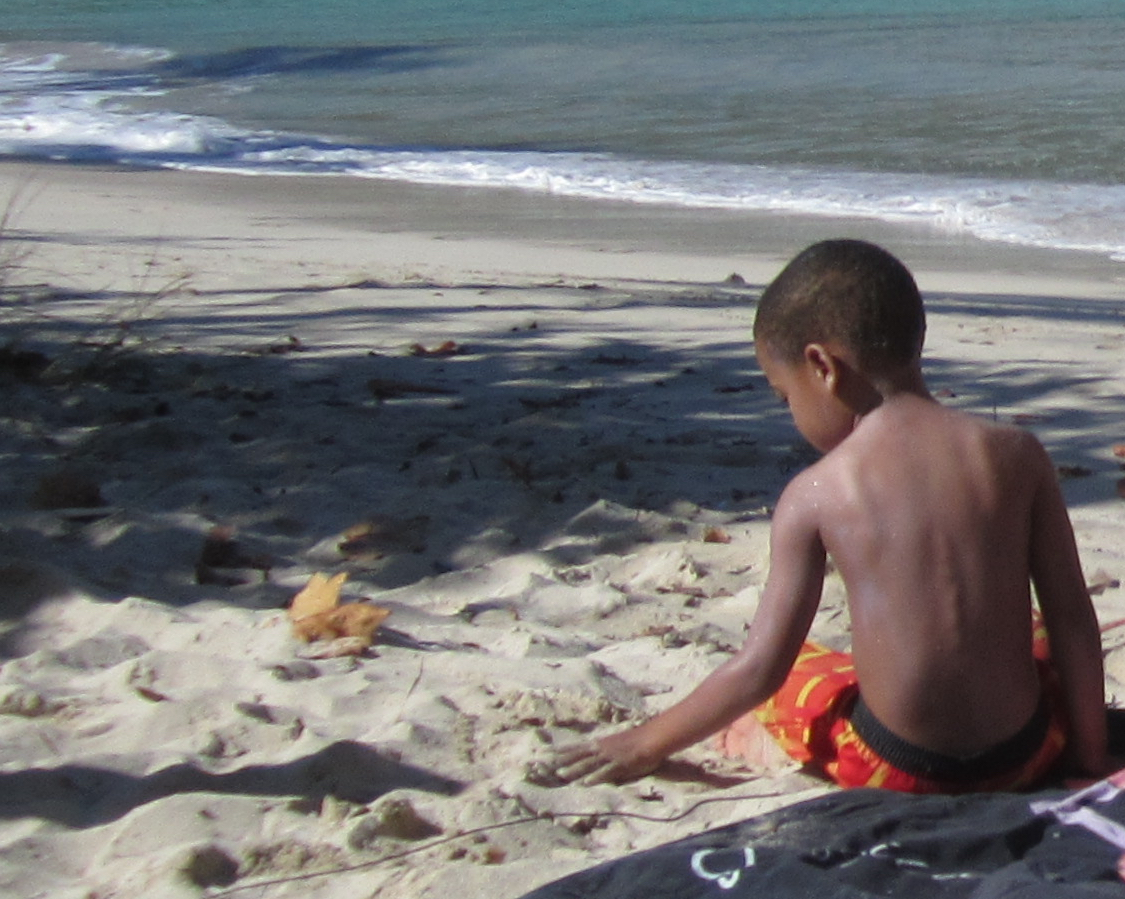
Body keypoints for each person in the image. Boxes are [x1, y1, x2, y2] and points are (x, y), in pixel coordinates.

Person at [550, 239, 1108, 793]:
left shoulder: (814, 494)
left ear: (822, 367)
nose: (789, 413)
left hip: (900, 770)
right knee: (1037, 635)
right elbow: (1074, 620)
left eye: (783, 396)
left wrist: (643, 743)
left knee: (799, 678)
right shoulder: (1017, 453)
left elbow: (759, 668)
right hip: (1027, 755)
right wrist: (1089, 758)